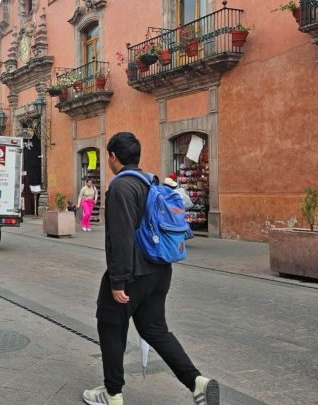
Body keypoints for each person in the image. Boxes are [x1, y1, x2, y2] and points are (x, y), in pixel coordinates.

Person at [83, 132, 219, 405]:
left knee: (110, 325)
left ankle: (112, 393)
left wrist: (118, 281)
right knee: (155, 330)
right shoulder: (150, 182)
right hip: (160, 270)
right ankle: (197, 382)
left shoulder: (121, 188)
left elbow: (120, 238)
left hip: (132, 274)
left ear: (113, 157)